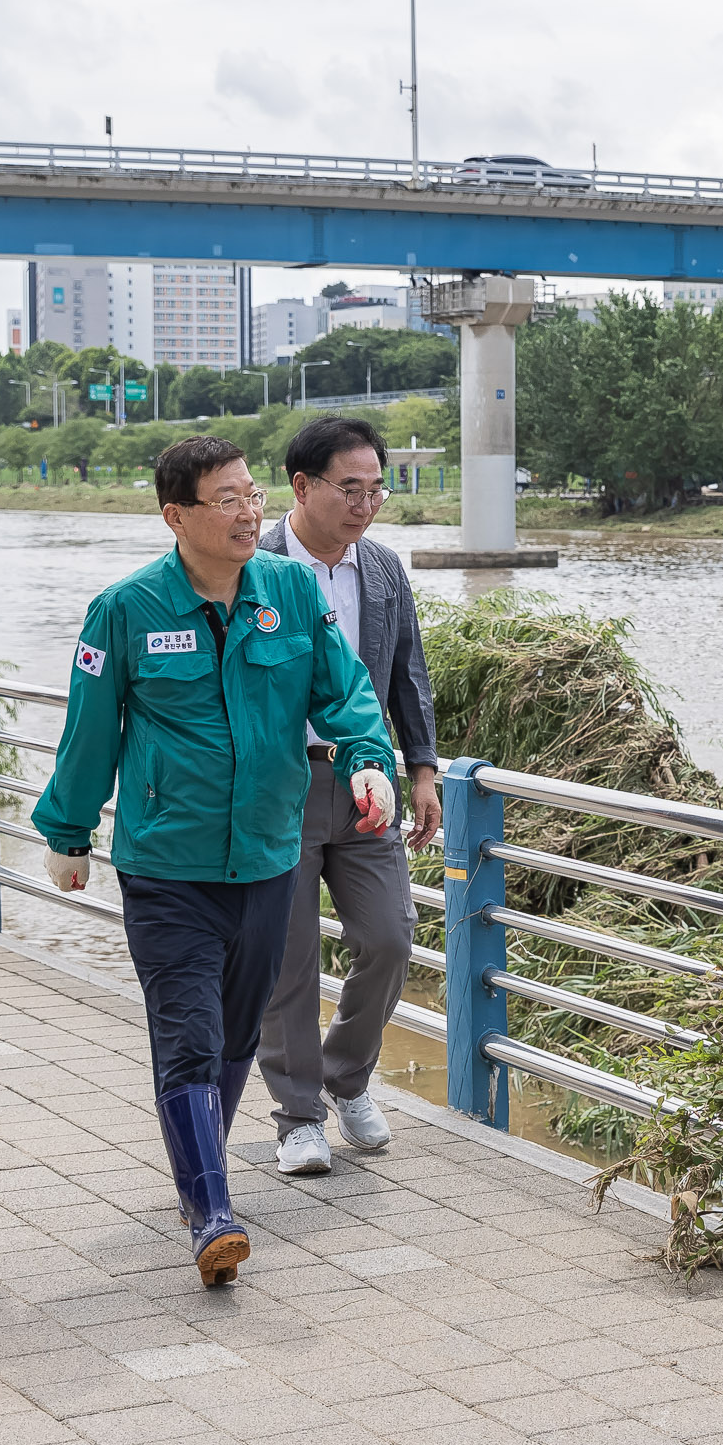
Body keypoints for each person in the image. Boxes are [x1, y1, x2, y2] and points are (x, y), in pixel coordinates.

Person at [34, 435, 394, 1288]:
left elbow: (342, 690)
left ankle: (202, 1175)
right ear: (177, 515)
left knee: (234, 1033)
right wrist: (67, 831)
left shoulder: (290, 592)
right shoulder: (125, 608)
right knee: (188, 1036)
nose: (247, 511)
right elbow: (92, 731)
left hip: (269, 855)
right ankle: (212, 1212)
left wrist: (366, 755)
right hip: (168, 862)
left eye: (251, 495)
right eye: (225, 499)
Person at [256, 416, 439, 1176]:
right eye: (350, 488)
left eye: (376, 488)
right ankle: (298, 1115)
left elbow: (407, 674)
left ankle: (346, 1075)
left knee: (391, 935)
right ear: (302, 486)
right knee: (288, 956)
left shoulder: (384, 570)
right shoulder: (251, 561)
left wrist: (422, 769)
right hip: (278, 784)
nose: (366, 504)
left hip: (367, 780)